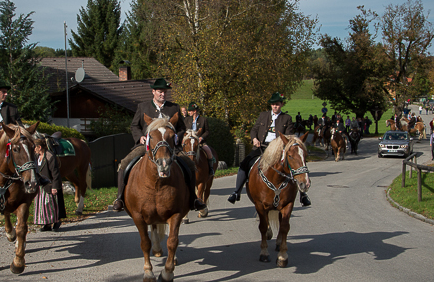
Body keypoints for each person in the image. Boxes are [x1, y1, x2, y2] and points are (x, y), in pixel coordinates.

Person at [112, 78, 206, 212]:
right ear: (153, 92)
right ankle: (120, 199)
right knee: (124, 163)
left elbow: (181, 128)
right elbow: (134, 125)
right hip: (147, 146)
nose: (163, 94)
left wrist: (177, 138)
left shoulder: (174, 107)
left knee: (190, 165)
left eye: (165, 92)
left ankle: (193, 199)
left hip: (170, 147)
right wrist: (140, 137)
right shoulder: (143, 107)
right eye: (160, 92)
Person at [227, 92, 310, 206]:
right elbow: (254, 130)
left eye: (277, 104)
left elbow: (289, 136)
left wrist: (281, 145)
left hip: (278, 149)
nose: (274, 106)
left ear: (281, 104)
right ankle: (236, 192)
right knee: (244, 164)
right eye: (273, 104)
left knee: (295, 164)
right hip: (262, 146)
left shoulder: (287, 118)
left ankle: (303, 194)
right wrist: (254, 139)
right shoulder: (263, 115)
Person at [33, 139, 63, 231]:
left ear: (39, 147)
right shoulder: (37, 157)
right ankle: (47, 224)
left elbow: (55, 173)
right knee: (42, 206)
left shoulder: (49, 156)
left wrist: (55, 187)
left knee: (49, 205)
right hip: (40, 185)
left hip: (49, 184)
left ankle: (57, 221)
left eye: (35, 147)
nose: (34, 149)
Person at [184, 102, 216, 175]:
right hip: (189, 141)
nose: (188, 112)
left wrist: (201, 137)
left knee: (208, 151)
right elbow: (184, 130)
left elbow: (207, 131)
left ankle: (211, 168)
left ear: (195, 111)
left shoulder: (203, 120)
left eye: (190, 111)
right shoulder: (186, 120)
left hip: (199, 141)